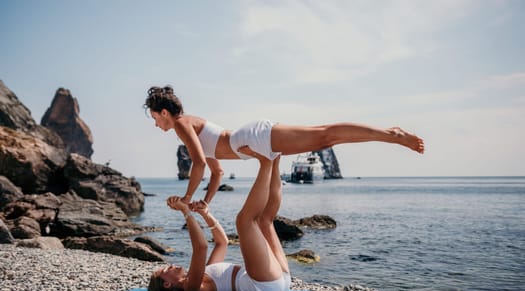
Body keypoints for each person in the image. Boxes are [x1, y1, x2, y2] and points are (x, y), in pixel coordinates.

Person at [144, 85, 425, 205]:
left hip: (252, 138)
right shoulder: (189, 124)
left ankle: (391, 133)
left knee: (325, 134)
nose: (156, 124)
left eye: (155, 118)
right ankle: (389, 135)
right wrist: (204, 202)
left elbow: (200, 164)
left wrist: (186, 197)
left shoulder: (182, 124)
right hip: (254, 145)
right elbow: (215, 172)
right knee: (327, 138)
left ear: (164, 112)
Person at [148, 148, 290, 291]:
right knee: (245, 220)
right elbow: (201, 247)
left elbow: (222, 242)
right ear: (168, 284)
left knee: (265, 222)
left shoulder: (206, 273)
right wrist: (186, 212)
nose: (171, 265)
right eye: (166, 270)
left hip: (275, 280)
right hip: (262, 285)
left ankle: (274, 159)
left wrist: (205, 214)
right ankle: (265, 162)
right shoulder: (191, 287)